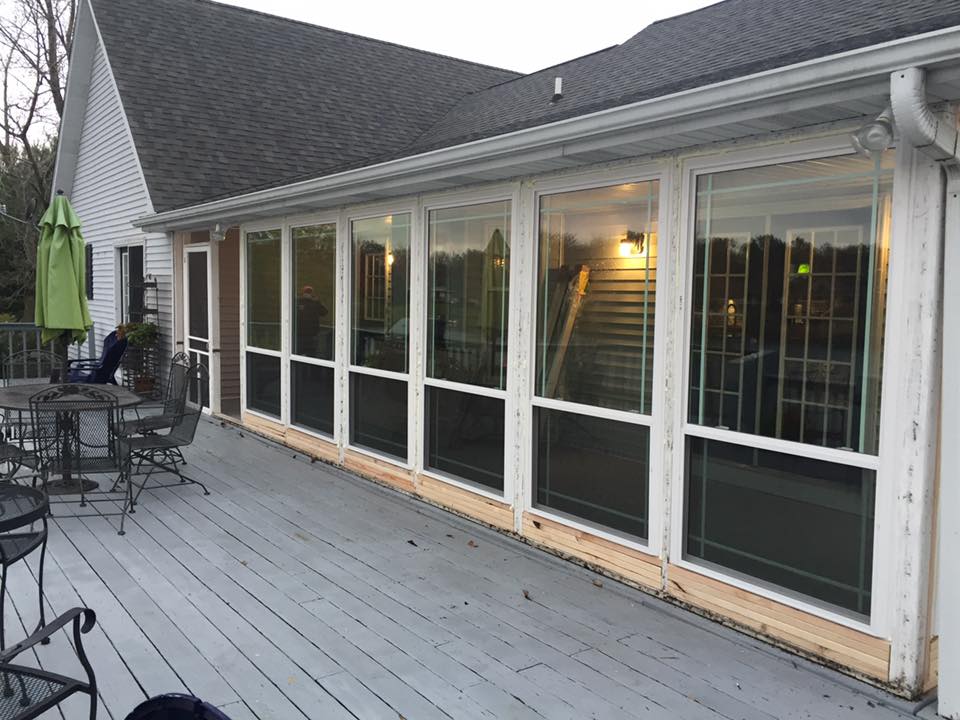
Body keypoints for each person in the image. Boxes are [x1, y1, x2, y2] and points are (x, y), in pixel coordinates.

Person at [296, 285, 328, 356]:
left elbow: (324, 312)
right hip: (300, 333)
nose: (307, 294)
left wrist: (318, 302)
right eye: (306, 292)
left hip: (311, 334)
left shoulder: (315, 303)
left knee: (311, 353)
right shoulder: (298, 301)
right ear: (303, 293)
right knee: (300, 352)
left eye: (309, 292)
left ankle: (309, 366)